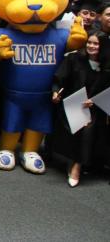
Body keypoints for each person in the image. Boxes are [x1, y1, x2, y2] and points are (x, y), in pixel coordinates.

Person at [51, 31, 109, 187]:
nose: (91, 46)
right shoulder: (74, 59)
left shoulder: (107, 65)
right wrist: (56, 92)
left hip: (96, 108)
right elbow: (60, 79)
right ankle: (75, 163)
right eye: (89, 42)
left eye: (96, 43)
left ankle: (77, 165)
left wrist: (95, 101)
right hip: (72, 104)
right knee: (81, 124)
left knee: (88, 126)